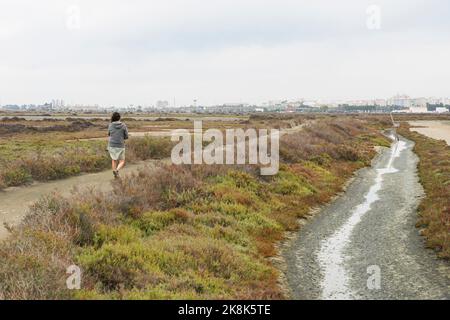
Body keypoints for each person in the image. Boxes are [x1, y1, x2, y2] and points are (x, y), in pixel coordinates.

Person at [108, 112, 128, 178]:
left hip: (111, 145)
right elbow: (126, 136)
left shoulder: (110, 125)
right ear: (119, 118)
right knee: (122, 161)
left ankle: (114, 171)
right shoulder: (123, 125)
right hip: (120, 145)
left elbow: (109, 134)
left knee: (114, 160)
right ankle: (116, 170)